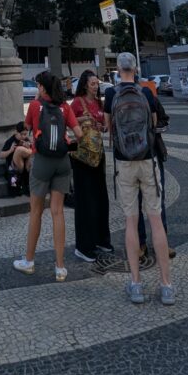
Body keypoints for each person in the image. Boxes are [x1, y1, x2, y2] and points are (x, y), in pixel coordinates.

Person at [104, 52, 175, 306]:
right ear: (135, 69)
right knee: (155, 220)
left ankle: (136, 283)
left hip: (124, 162)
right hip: (147, 159)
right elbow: (154, 124)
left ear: (118, 71)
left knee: (131, 222)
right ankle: (166, 284)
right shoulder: (145, 93)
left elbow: (108, 127)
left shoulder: (111, 95)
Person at [13, 71, 82, 281]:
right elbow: (78, 134)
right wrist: (65, 141)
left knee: (36, 211)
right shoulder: (65, 107)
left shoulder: (35, 106)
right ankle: (60, 267)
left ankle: (29, 261)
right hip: (62, 162)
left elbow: (26, 127)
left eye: (38, 86)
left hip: (42, 161)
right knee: (58, 212)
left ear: (42, 88)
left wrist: (37, 104)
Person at [70, 69, 112, 262]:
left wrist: (103, 126)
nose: (96, 86)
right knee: (85, 200)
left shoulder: (98, 102)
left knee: (101, 197)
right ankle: (83, 245)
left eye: (98, 83)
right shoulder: (78, 102)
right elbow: (68, 121)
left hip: (98, 154)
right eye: (93, 83)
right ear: (85, 85)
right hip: (82, 157)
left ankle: (101, 239)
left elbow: (103, 124)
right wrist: (84, 120)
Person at [137, 85, 176, 262]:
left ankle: (159, 241)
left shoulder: (150, 97)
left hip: (150, 153)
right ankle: (141, 243)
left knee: (156, 199)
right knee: (139, 201)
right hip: (134, 156)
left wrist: (152, 129)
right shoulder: (120, 97)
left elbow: (164, 120)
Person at [0, 121, 32, 195]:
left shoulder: (26, 140)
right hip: (14, 166)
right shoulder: (10, 141)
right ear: (16, 132)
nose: (24, 136)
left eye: (25, 134)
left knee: (28, 152)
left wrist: (28, 146)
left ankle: (26, 184)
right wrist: (10, 150)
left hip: (24, 166)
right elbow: (1, 155)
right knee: (19, 150)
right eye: (22, 134)